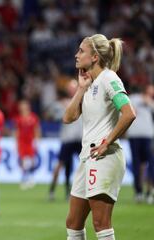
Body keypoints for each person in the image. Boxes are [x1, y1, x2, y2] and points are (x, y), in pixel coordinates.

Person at [63, 34, 136, 240]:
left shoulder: (109, 78)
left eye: (81, 51)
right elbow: (68, 117)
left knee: (100, 223)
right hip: (87, 157)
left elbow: (129, 113)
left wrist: (107, 142)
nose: (76, 55)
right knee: (73, 223)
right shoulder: (90, 82)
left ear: (95, 57)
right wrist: (81, 88)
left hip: (104, 157)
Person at [48, 79, 82, 201]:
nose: (72, 90)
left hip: (80, 139)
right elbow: (51, 114)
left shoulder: (82, 101)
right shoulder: (62, 103)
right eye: (70, 88)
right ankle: (52, 190)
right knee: (61, 165)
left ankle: (79, 191)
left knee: (85, 165)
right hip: (68, 138)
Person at [127, 84, 154, 203]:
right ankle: (138, 192)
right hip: (135, 136)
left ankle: (149, 192)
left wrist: (149, 103)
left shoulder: (150, 102)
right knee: (137, 165)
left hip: (148, 136)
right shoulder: (133, 99)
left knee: (150, 164)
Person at [14, 99, 41, 190]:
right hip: (22, 142)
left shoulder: (33, 117)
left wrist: (37, 140)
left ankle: (31, 178)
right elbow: (17, 131)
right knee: (23, 161)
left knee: (31, 160)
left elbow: (36, 130)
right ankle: (25, 178)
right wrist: (16, 142)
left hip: (30, 141)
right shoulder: (19, 118)